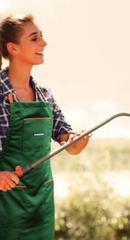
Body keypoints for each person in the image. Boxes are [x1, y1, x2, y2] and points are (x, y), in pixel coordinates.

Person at [0, 13, 91, 239]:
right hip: (5, 213)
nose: (44, 43)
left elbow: (66, 140)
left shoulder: (45, 96)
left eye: (42, 36)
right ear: (13, 48)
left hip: (42, 209)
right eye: (34, 38)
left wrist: (75, 144)